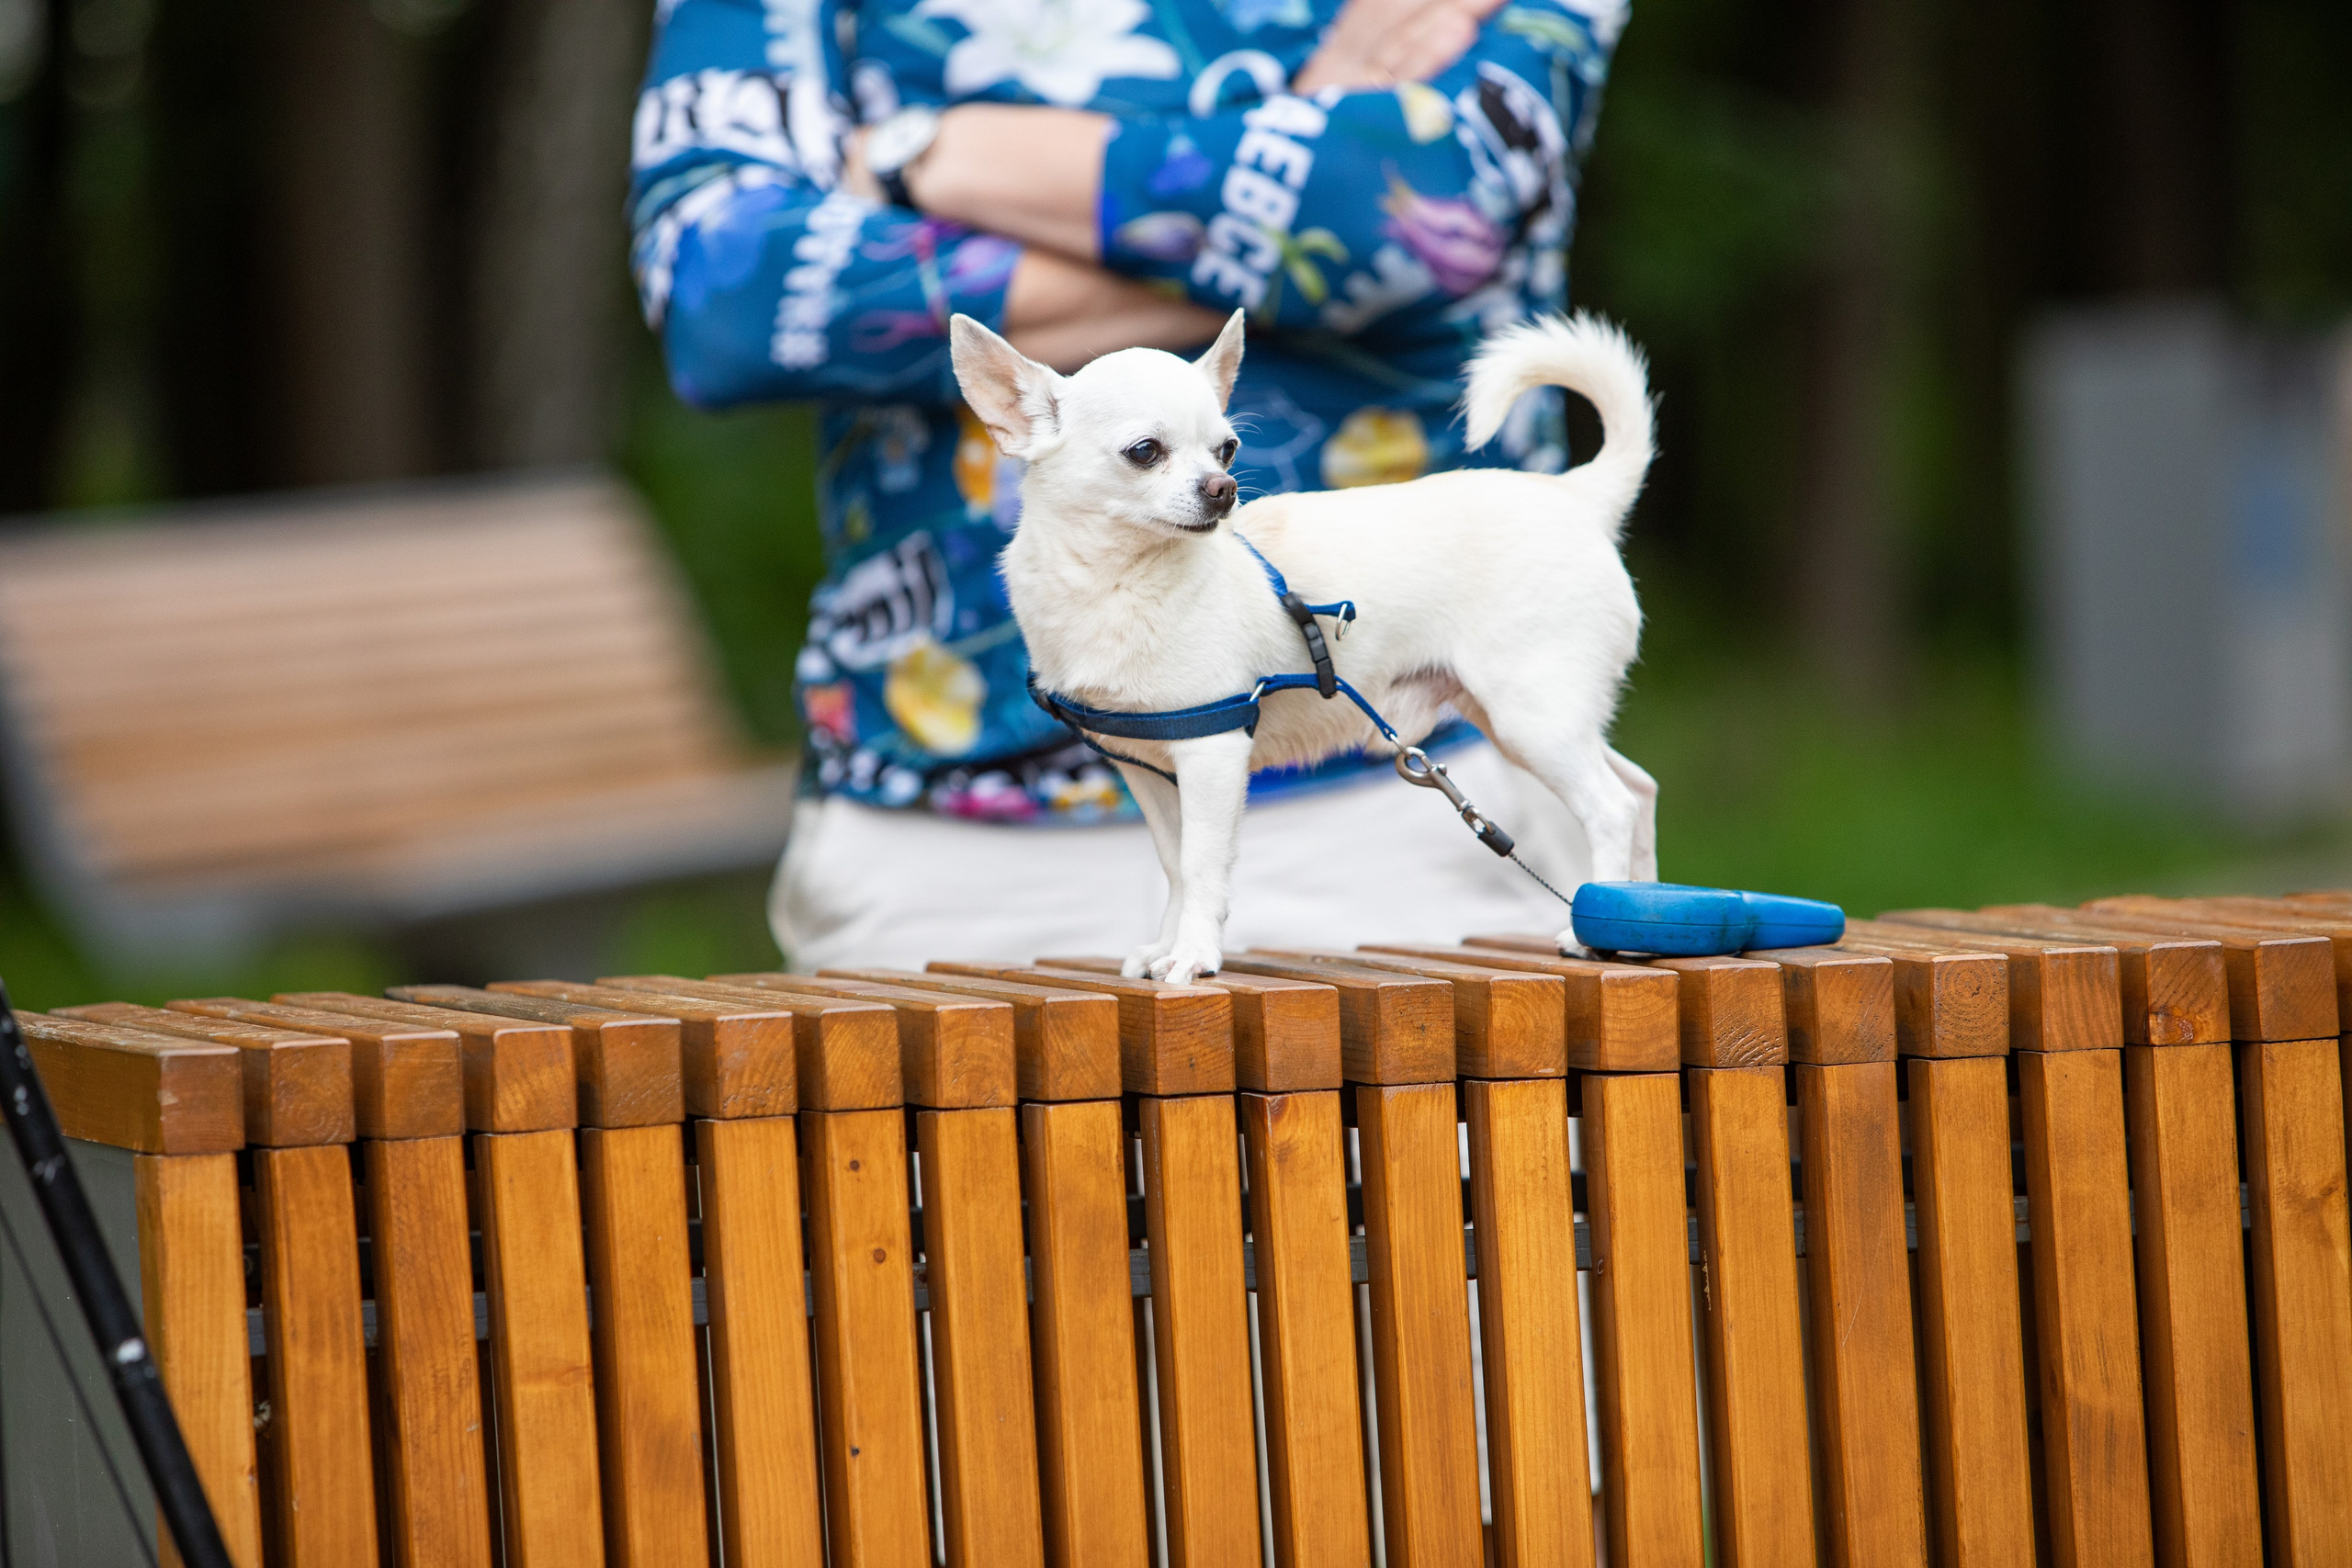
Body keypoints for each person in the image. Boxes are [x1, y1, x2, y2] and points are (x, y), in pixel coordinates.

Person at [629, 0, 1636, 970]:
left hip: (1396, 816)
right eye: (1149, 449)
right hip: (933, 847)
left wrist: (929, 155)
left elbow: (1417, 205)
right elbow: (729, 293)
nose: (1209, 484)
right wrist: (1269, 196)